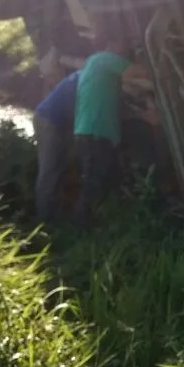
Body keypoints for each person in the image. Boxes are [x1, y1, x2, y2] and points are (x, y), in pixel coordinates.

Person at [70, 34, 144, 228]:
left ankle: (101, 228)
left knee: (102, 182)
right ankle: (83, 231)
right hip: (95, 134)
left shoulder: (92, 64)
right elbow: (137, 71)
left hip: (88, 133)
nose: (123, 49)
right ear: (111, 43)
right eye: (121, 43)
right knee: (93, 187)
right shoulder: (105, 58)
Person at [33, 67, 80, 222]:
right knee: (49, 169)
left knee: (59, 166)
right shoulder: (88, 82)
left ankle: (56, 213)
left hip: (55, 120)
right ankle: (45, 220)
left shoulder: (83, 75)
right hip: (48, 120)